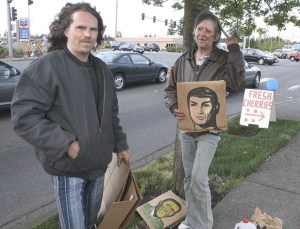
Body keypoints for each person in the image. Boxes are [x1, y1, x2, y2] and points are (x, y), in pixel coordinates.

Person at [11, 3, 130, 229]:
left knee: (89, 222)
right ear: (66, 30)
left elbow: (110, 114)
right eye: (81, 27)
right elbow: (24, 117)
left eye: (93, 29)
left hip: (98, 165)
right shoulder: (47, 67)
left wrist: (120, 144)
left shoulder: (102, 69)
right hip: (68, 168)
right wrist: (66, 143)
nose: (87, 34)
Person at [164, 10, 245, 229]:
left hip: (209, 131)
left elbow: (236, 83)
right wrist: (173, 106)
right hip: (187, 130)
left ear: (216, 36)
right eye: (200, 29)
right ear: (194, 32)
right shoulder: (183, 60)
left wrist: (235, 49)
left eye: (209, 31)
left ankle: (204, 225)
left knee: (199, 178)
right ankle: (192, 220)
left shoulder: (224, 59)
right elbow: (170, 91)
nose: (203, 33)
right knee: (189, 178)